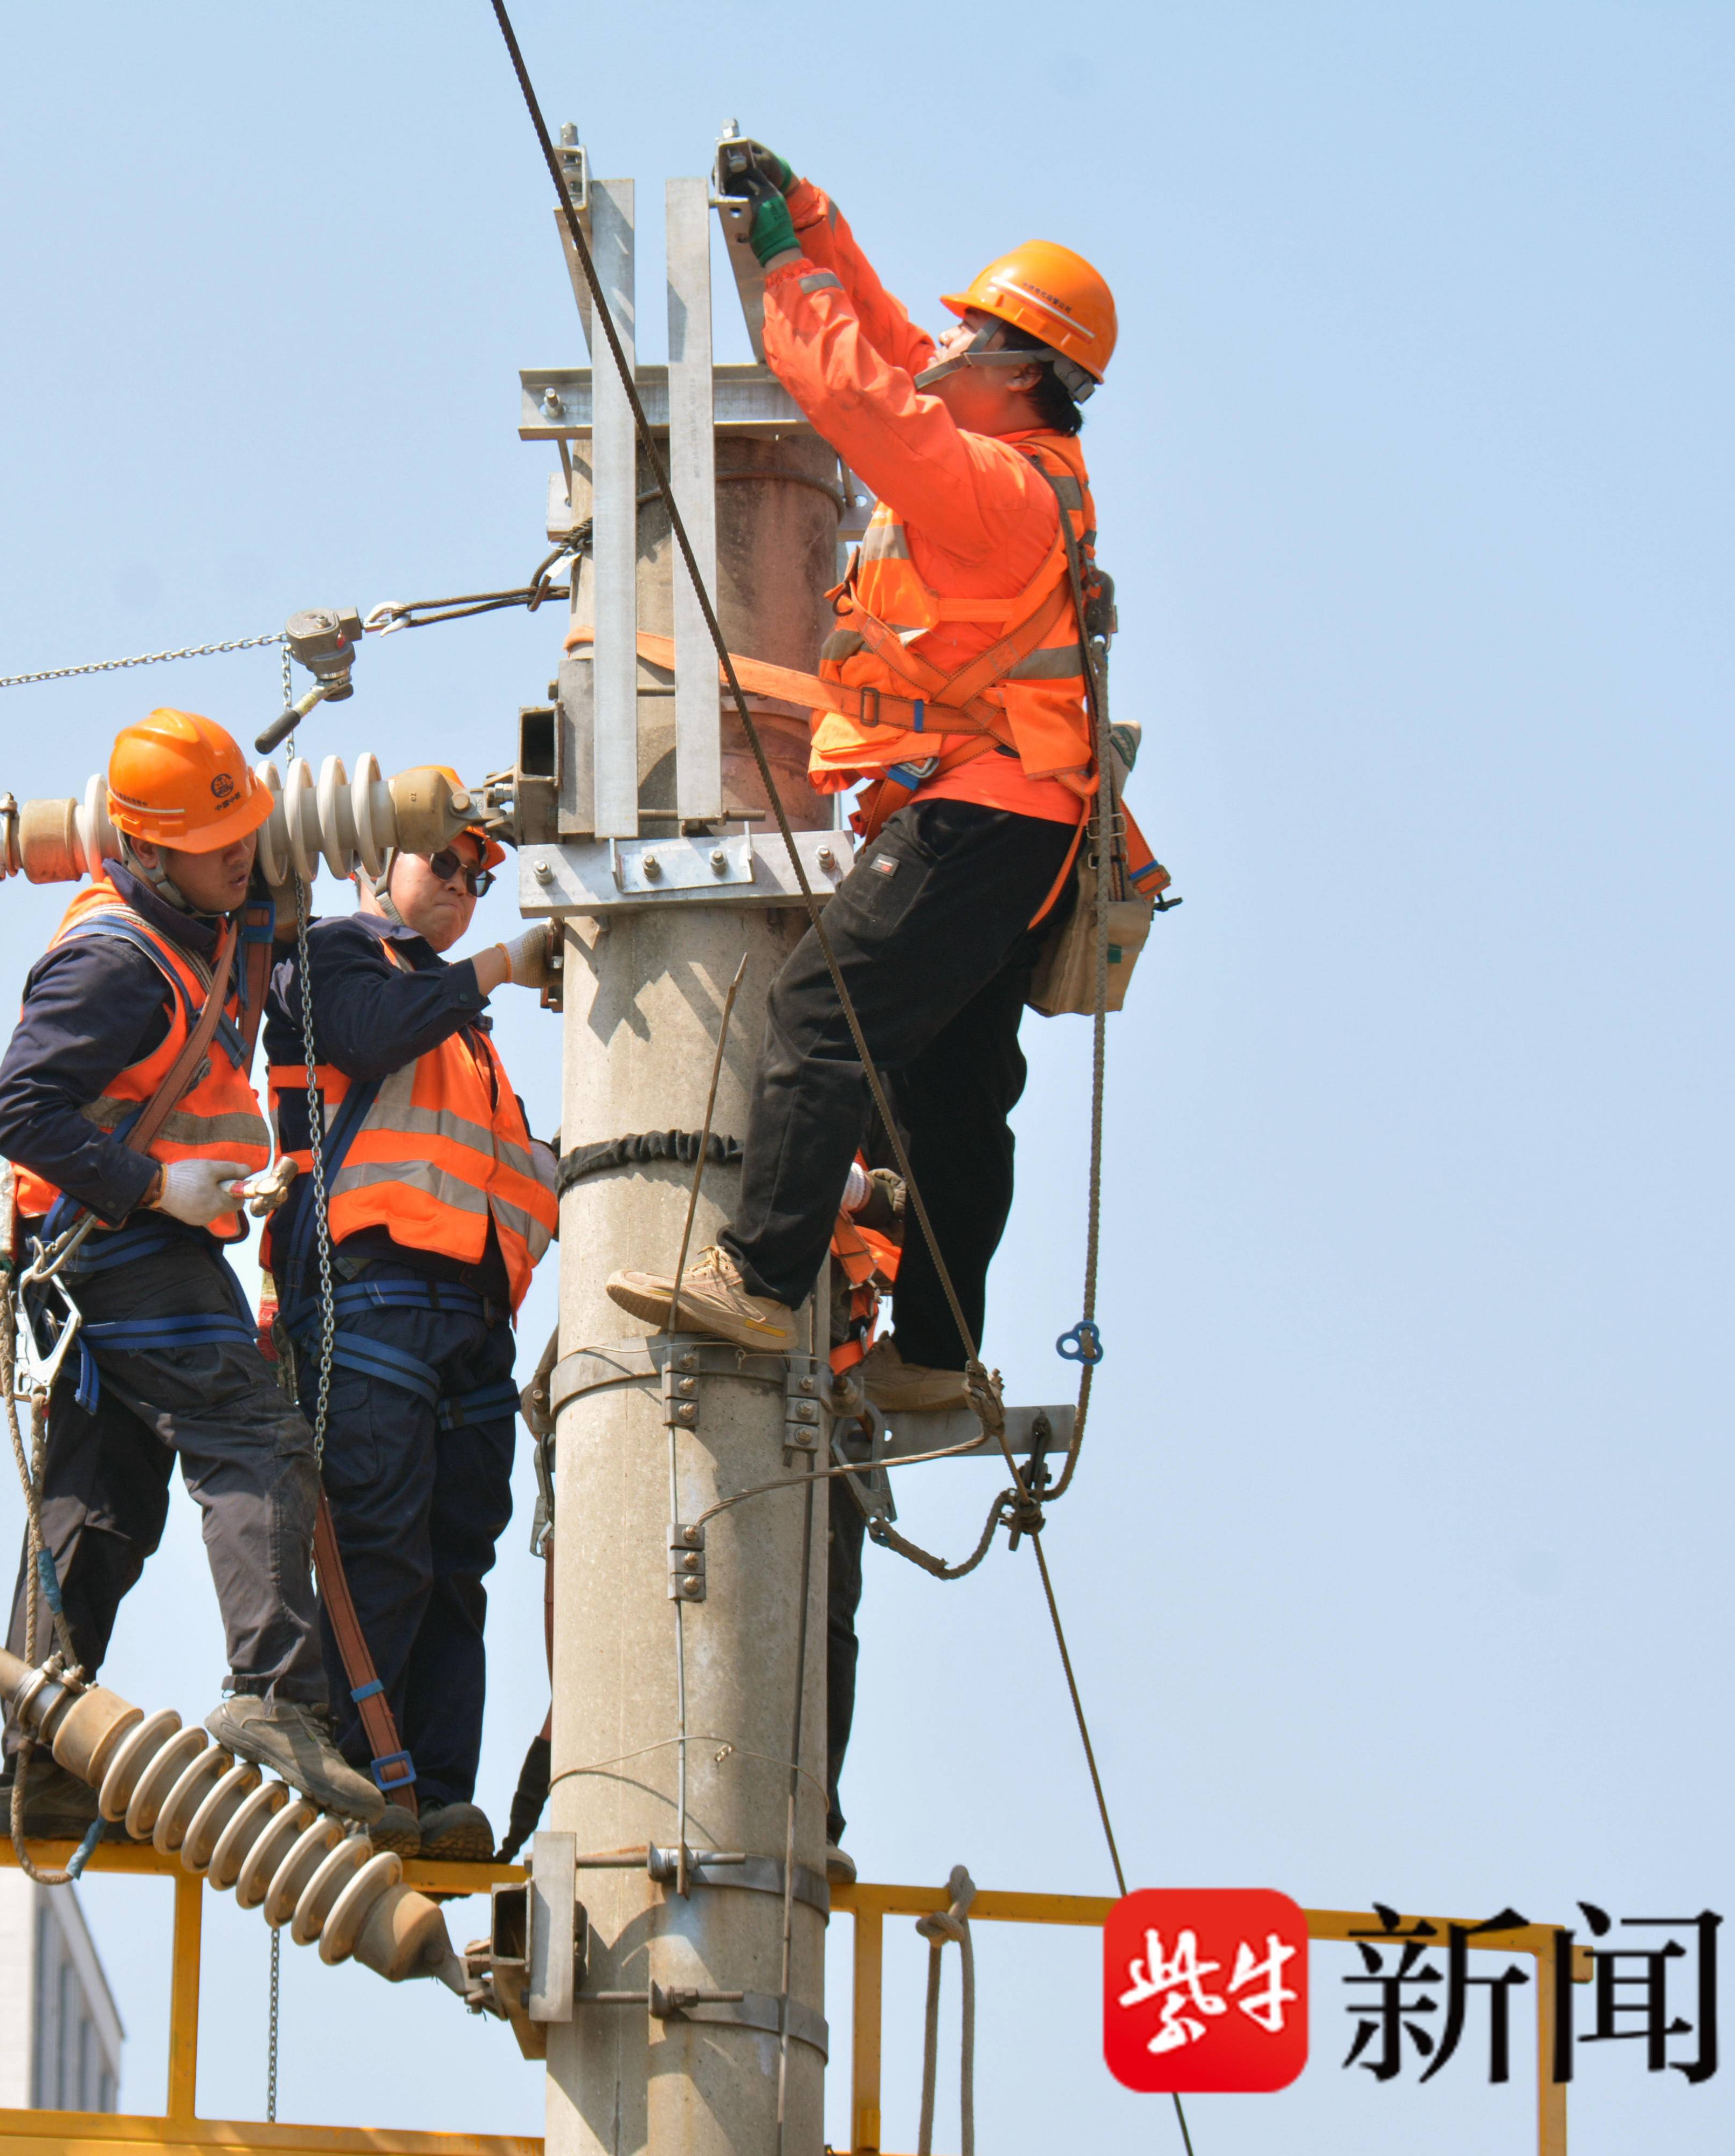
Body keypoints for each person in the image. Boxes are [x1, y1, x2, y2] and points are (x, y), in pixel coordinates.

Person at [606, 148, 1150, 1872]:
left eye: (980, 336)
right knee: (949, 1089)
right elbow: (899, 355)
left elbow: (858, 398)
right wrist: (814, 226)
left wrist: (778, 274)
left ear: (1025, 372)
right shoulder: (1017, 458)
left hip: (977, 815)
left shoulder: (983, 484)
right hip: (1028, 823)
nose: (950, 346)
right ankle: (929, 1344)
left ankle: (756, 1279)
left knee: (822, 1019)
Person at [0, 707, 381, 1841]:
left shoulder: (194, 919)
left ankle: (39, 1764)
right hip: (118, 1244)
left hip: (102, 1251)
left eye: (246, 830)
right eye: (217, 842)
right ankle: (275, 1697)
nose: (243, 854)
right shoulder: (114, 962)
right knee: (254, 1437)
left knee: (98, 1506)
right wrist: (157, 1189)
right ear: (148, 850)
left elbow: (253, 904)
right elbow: (18, 1112)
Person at [264, 801, 555, 1858]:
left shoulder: (467, 1042)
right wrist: (500, 966)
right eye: (444, 863)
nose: (464, 888)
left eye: (480, 877)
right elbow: (369, 1034)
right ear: (372, 866)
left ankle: (431, 1790)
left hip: (470, 1316)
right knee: (378, 1541)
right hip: (369, 1291)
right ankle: (353, 1777)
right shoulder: (328, 957)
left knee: (455, 1555)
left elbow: (515, 1173)